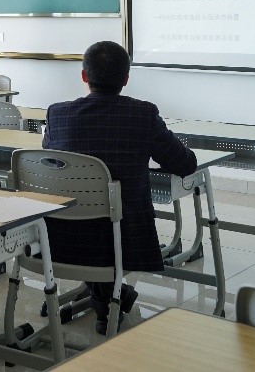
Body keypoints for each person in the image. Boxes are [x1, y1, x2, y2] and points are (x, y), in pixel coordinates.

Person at [42, 40, 197, 334]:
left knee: (91, 215)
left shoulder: (57, 115)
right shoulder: (142, 115)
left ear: (84, 76)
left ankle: (107, 296)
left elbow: (51, 165)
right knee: (105, 222)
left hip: (64, 233)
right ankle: (109, 298)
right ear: (126, 79)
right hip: (126, 236)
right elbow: (185, 163)